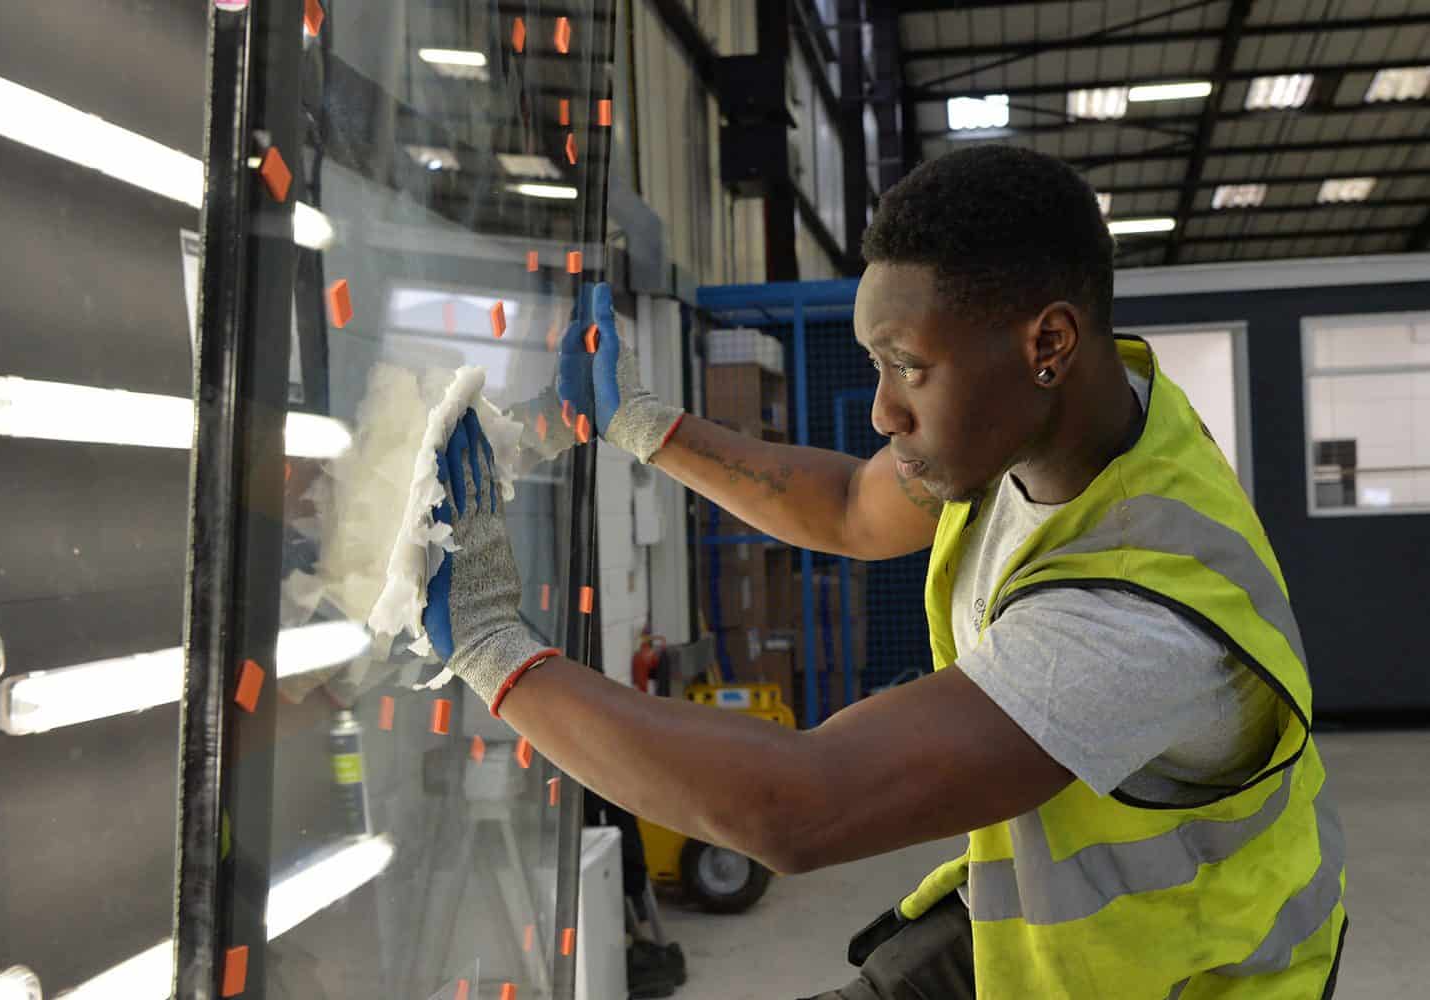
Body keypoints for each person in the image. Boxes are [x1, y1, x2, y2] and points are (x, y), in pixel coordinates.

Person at [419, 145, 1347, 998]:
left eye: (907, 368)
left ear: (1048, 344)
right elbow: (852, 508)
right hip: (1053, 915)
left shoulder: (1139, 619)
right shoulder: (1070, 424)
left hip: (1180, 973)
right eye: (877, 364)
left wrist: (498, 648)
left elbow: (796, 808)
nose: (880, 412)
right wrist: (642, 423)